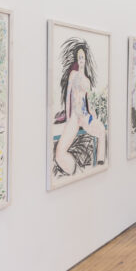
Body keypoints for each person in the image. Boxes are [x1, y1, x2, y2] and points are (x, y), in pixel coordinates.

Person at [54, 38, 107, 175]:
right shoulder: (73, 75)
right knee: (60, 153)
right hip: (74, 117)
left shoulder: (87, 81)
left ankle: (100, 164)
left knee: (101, 130)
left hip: (85, 116)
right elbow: (67, 96)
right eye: (79, 57)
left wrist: (94, 116)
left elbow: (89, 101)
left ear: (86, 59)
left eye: (83, 57)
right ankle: (75, 171)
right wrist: (67, 115)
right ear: (77, 59)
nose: (81, 59)